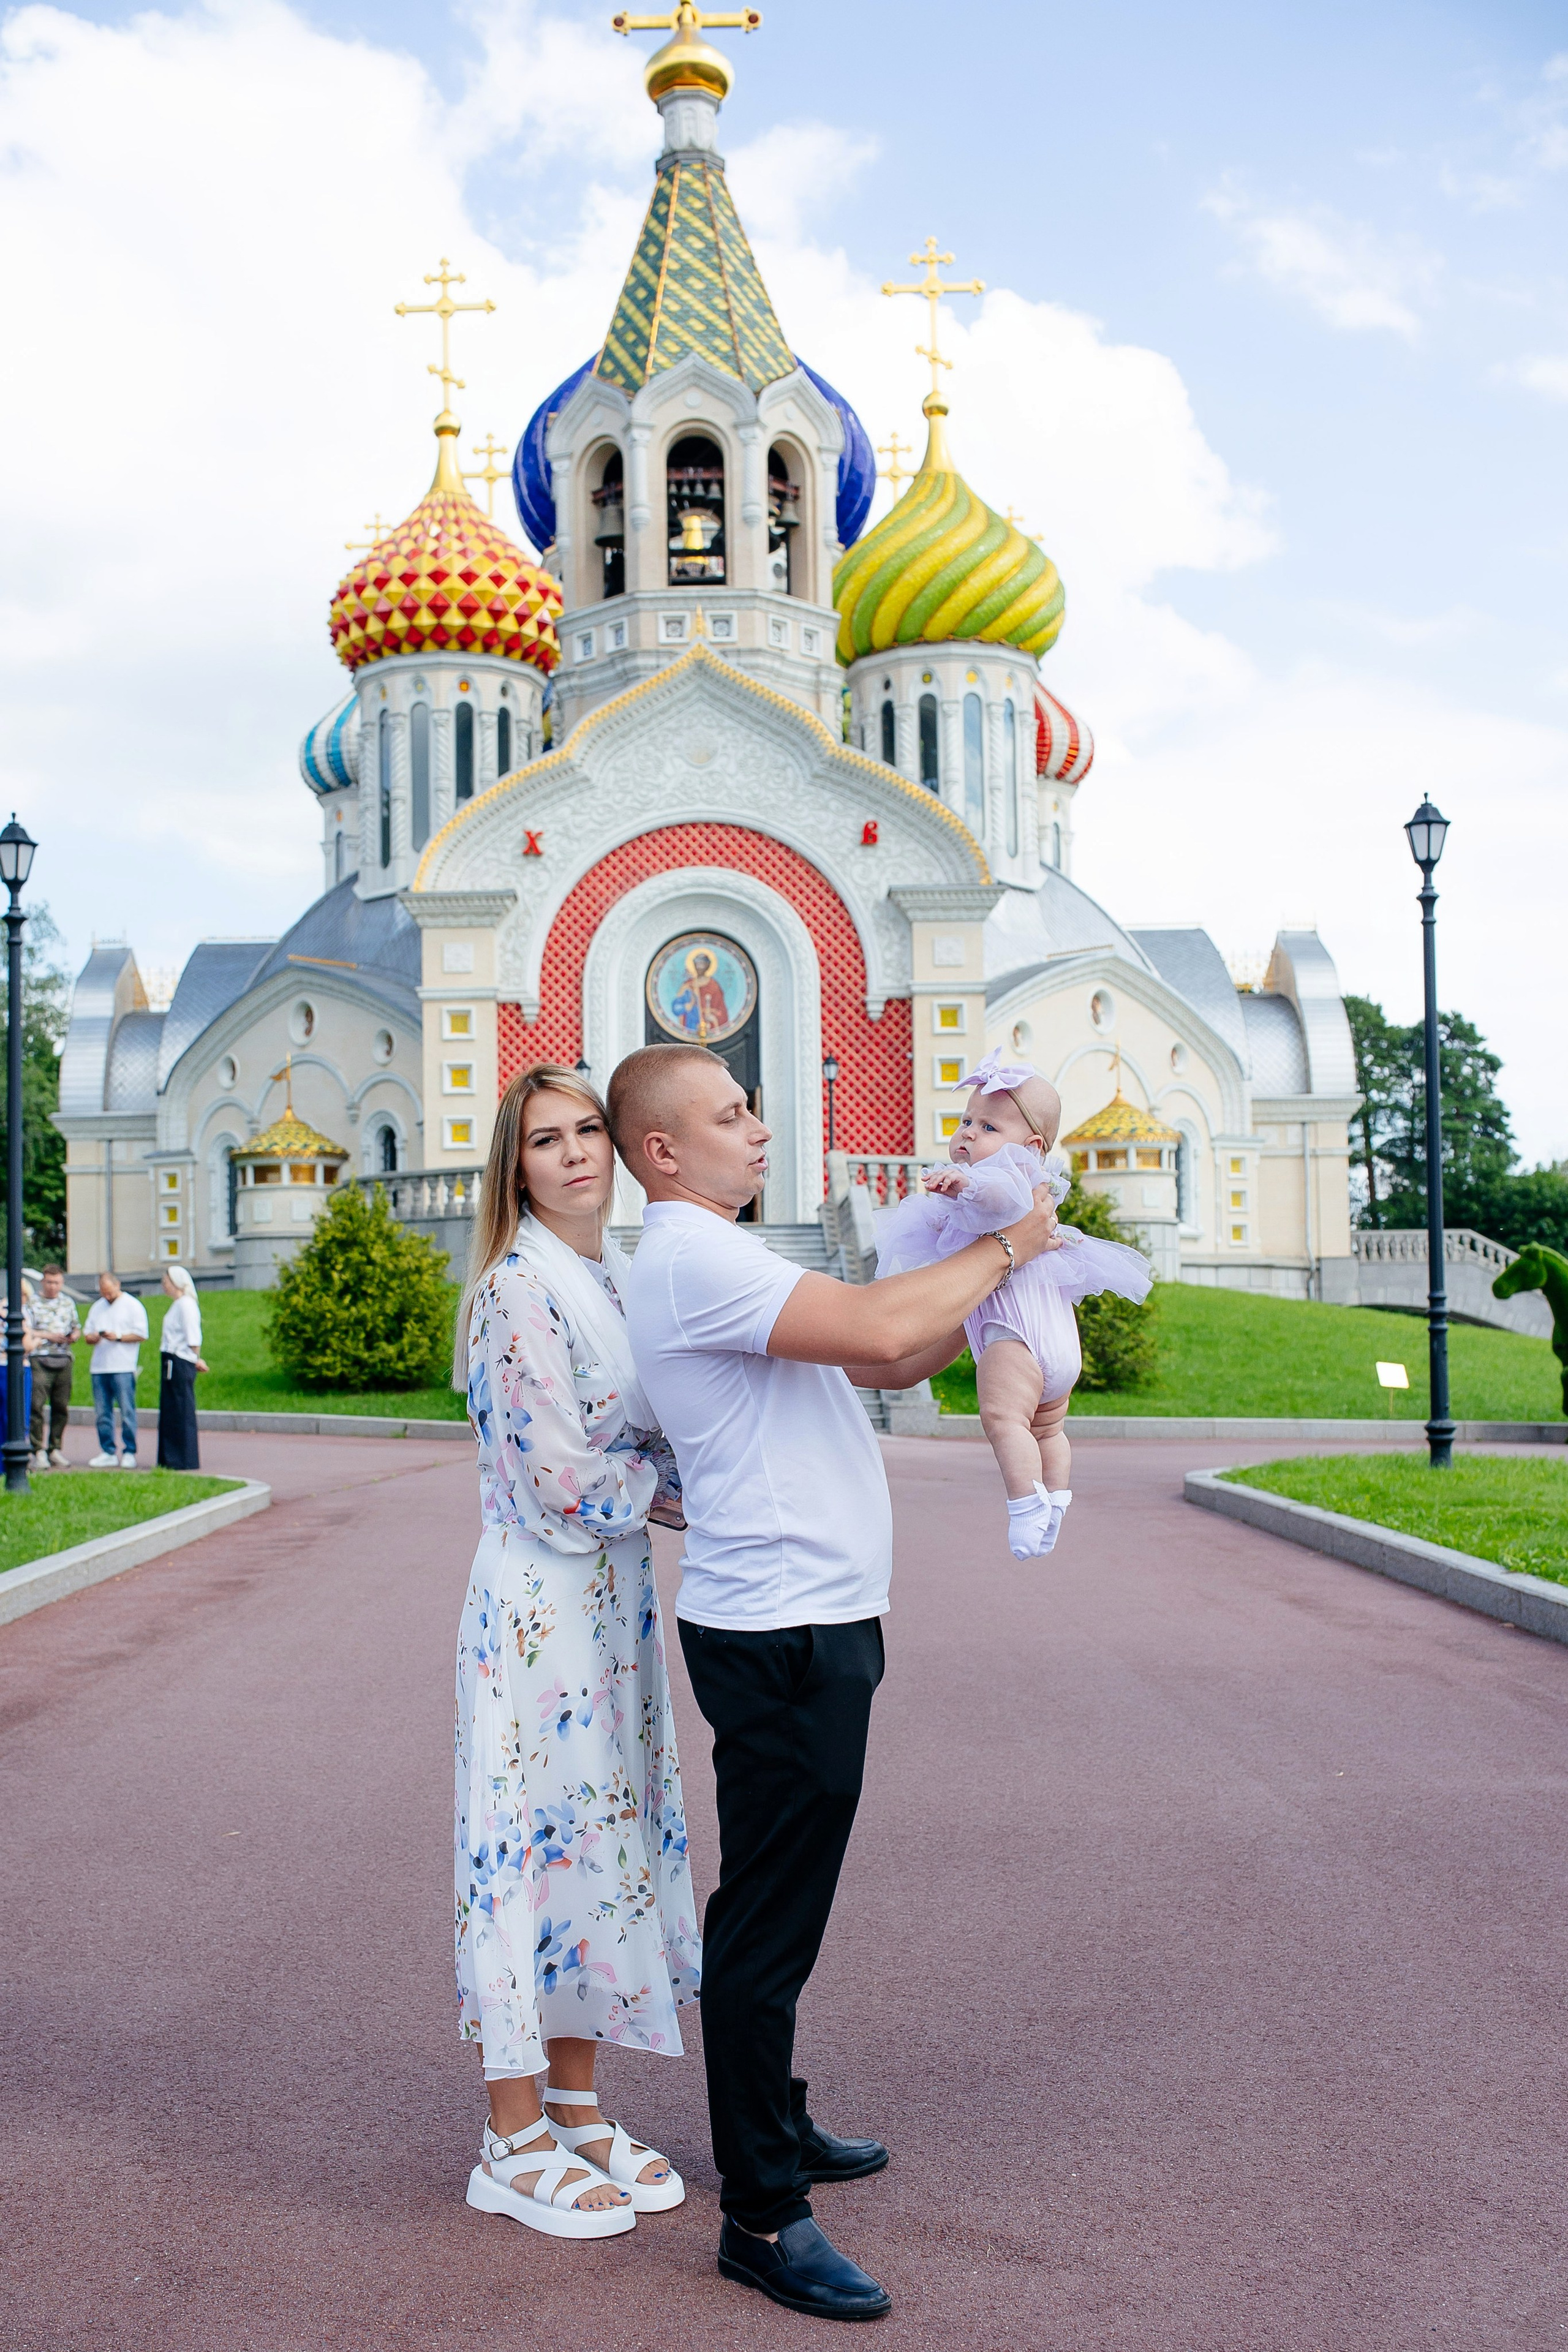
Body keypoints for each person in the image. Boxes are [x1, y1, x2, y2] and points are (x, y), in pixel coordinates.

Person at [610, 1040, 1062, 2322]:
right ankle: (760, 2212)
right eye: (731, 1114)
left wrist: (970, 1272)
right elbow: (871, 1325)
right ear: (661, 1152)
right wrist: (1013, 1244)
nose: (759, 1131)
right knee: (763, 1923)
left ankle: (779, 2128)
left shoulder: (728, 1254)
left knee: (784, 1911)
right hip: (780, 1630)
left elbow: (882, 1360)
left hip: (813, 1619)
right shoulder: (692, 1254)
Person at [453, 1060, 701, 2244]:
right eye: (545, 1139)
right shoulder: (516, 1292)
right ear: (517, 1168)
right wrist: (684, 1494)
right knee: (525, 1849)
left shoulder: (611, 1277)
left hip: (609, 1604)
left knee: (598, 1842)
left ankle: (576, 2102)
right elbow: (556, 1476)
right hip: (540, 1607)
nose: (575, 1153)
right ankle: (508, 2141)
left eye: (589, 1129)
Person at [875, 1052, 1152, 1558]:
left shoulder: (1008, 1178)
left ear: (1032, 1147)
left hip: (1014, 1337)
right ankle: (1057, 1499)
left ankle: (1026, 1505)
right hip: (1057, 1341)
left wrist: (963, 1185)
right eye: (965, 1122)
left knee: (1003, 1420)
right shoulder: (1025, 1188)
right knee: (1048, 1428)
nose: (967, 1135)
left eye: (987, 1126)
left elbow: (997, 1198)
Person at [83, 1272, 149, 1468]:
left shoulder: (133, 1305)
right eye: (104, 1293)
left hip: (123, 1365)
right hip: (100, 1366)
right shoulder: (97, 1307)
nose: (107, 1297)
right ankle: (108, 1450)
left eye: (110, 1292)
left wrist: (118, 1336)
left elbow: (142, 1334)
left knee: (127, 1410)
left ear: (118, 1285)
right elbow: (87, 1335)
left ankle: (130, 1451)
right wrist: (94, 1337)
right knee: (103, 1412)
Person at [24, 1266, 78, 1469]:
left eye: (57, 1283)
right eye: (49, 1282)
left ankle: (54, 1448)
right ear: (43, 1282)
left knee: (61, 1406)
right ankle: (37, 1449)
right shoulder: (32, 1303)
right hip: (40, 1358)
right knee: (36, 1406)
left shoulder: (67, 1302)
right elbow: (27, 1330)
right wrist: (48, 1336)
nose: (53, 1287)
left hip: (63, 1357)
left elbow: (76, 1326)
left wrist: (74, 1335)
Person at [156, 1265, 208, 1470]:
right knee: (172, 1409)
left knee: (180, 1409)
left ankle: (182, 1458)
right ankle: (170, 1457)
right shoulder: (178, 1304)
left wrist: (195, 1358)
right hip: (173, 1359)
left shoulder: (186, 1305)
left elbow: (193, 1335)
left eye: (166, 1281)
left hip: (179, 1361)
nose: (164, 1285)